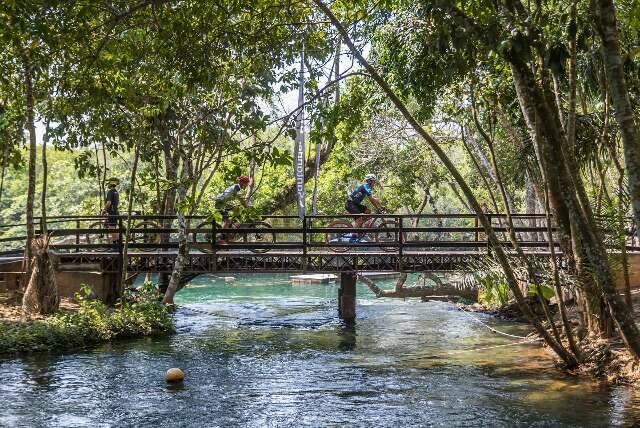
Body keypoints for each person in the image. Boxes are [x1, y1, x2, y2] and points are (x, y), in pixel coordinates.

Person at [345, 174, 384, 239]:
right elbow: (371, 200)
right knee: (359, 220)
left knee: (368, 211)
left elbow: (374, 198)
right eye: (374, 181)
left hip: (355, 204)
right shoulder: (365, 186)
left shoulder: (367, 187)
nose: (374, 183)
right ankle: (353, 236)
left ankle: (359, 227)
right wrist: (378, 208)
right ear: (369, 181)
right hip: (350, 204)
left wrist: (381, 206)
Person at [214, 175, 251, 244]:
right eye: (246, 183)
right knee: (228, 221)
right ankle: (220, 237)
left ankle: (229, 228)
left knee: (236, 210)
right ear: (243, 183)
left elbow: (237, 198)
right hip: (220, 203)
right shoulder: (237, 188)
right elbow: (241, 200)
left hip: (223, 202)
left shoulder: (237, 187)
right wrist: (248, 208)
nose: (247, 185)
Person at [101, 177, 120, 242]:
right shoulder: (116, 192)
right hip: (115, 211)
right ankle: (116, 244)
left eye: (109, 183)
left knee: (112, 228)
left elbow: (109, 203)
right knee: (113, 228)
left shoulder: (110, 192)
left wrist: (104, 210)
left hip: (111, 212)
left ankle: (117, 245)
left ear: (110, 184)